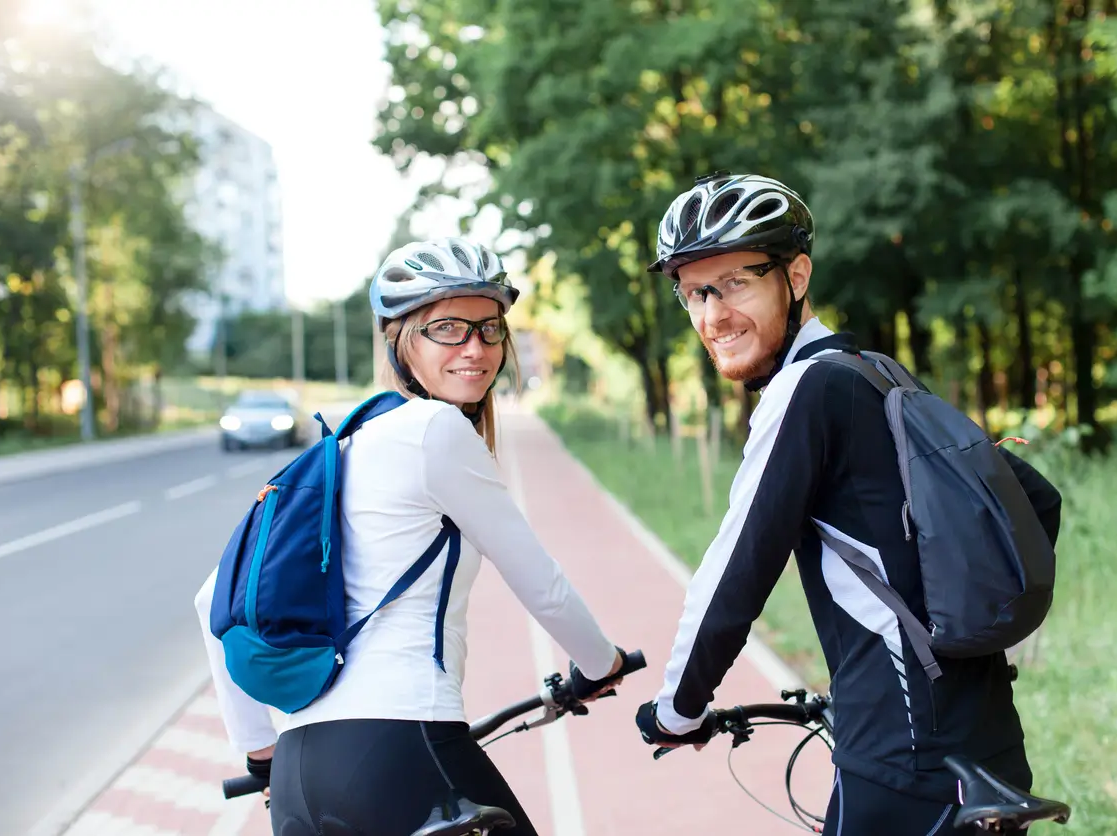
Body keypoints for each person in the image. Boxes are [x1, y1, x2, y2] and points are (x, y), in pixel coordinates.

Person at [631, 172, 1063, 834]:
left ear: (796, 275)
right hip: (987, 745)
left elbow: (735, 574)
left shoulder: (804, 390)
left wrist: (676, 711)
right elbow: (1035, 499)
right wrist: (953, 630)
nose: (712, 315)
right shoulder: (877, 371)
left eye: (735, 283)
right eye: (694, 292)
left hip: (898, 760)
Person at [194, 237, 626, 836]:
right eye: (447, 328)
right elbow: (541, 584)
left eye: (489, 328)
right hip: (401, 750)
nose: (475, 347)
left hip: (297, 780)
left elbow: (211, 602)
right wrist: (601, 664)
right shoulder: (435, 428)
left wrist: (261, 755)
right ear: (400, 341)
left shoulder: (341, 448)